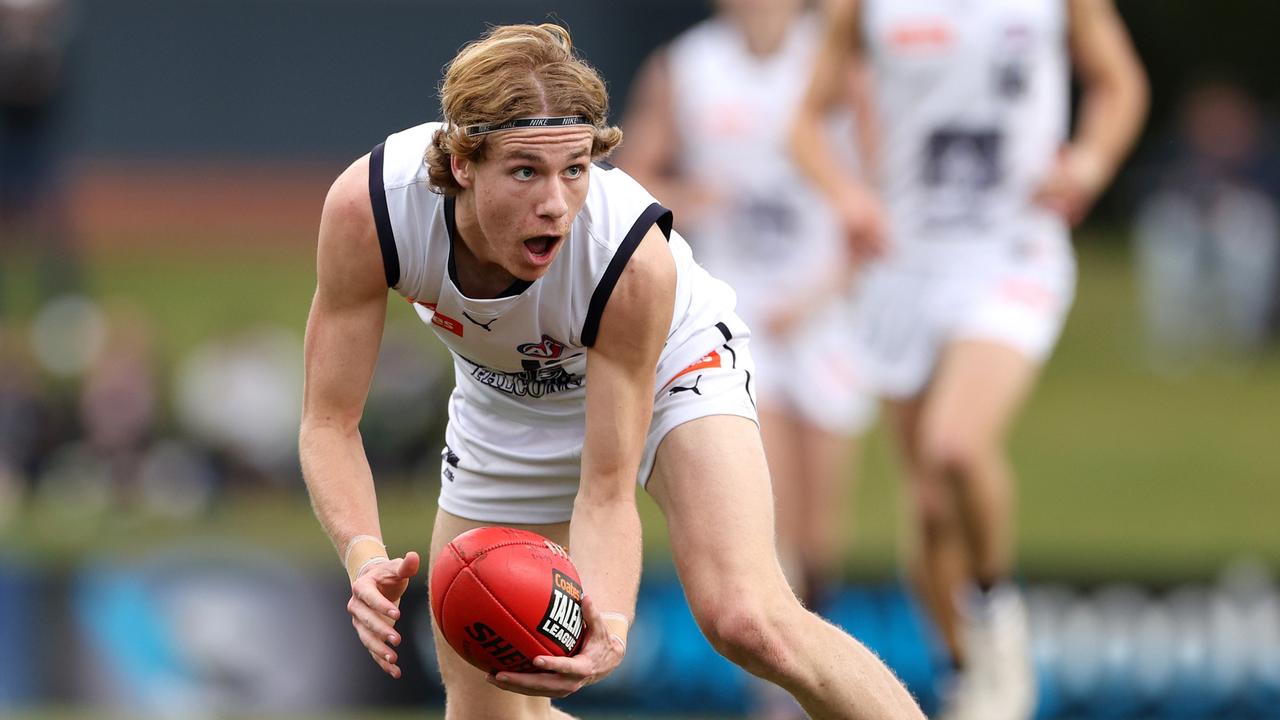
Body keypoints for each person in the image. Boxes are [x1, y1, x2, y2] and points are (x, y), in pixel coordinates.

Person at [298, 23, 925, 720]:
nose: (556, 204)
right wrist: (363, 557)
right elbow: (329, 420)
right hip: (504, 397)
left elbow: (604, 487)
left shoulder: (627, 260)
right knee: (486, 714)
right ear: (464, 161)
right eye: (526, 170)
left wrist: (612, 625)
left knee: (747, 618)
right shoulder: (373, 210)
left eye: (575, 168)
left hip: (669, 366)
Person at [790, 1, 1148, 718]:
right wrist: (849, 197)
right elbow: (805, 122)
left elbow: (1120, 83)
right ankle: (966, 683)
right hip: (906, 262)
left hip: (1013, 251)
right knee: (928, 507)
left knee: (955, 446)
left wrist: (1089, 161)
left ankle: (996, 618)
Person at [617, 0, 876, 636]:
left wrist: (824, 292)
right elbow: (632, 181)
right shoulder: (686, 67)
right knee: (770, 514)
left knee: (820, 536)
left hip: (827, 314)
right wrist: (688, 200)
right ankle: (779, 691)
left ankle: (819, 659)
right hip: (739, 311)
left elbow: (879, 185)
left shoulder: (835, 57)